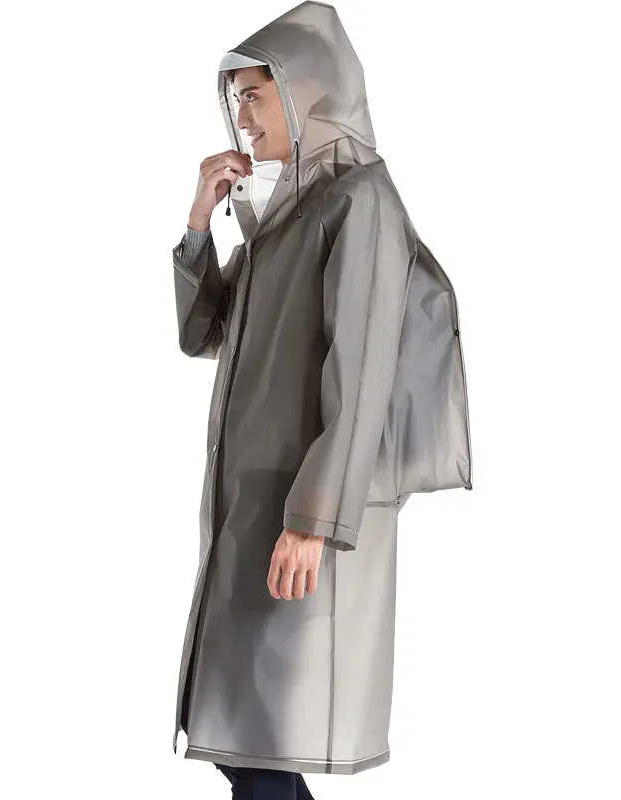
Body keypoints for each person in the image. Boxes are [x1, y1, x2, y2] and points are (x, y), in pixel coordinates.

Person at [170, 2, 472, 797]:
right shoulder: (285, 211)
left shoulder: (361, 203)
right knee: (238, 737)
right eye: (235, 98)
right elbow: (205, 336)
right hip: (248, 509)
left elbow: (362, 372)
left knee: (262, 742)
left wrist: (313, 520)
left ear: (307, 90)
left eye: (254, 95)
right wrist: (200, 223)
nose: (241, 116)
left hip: (304, 513)